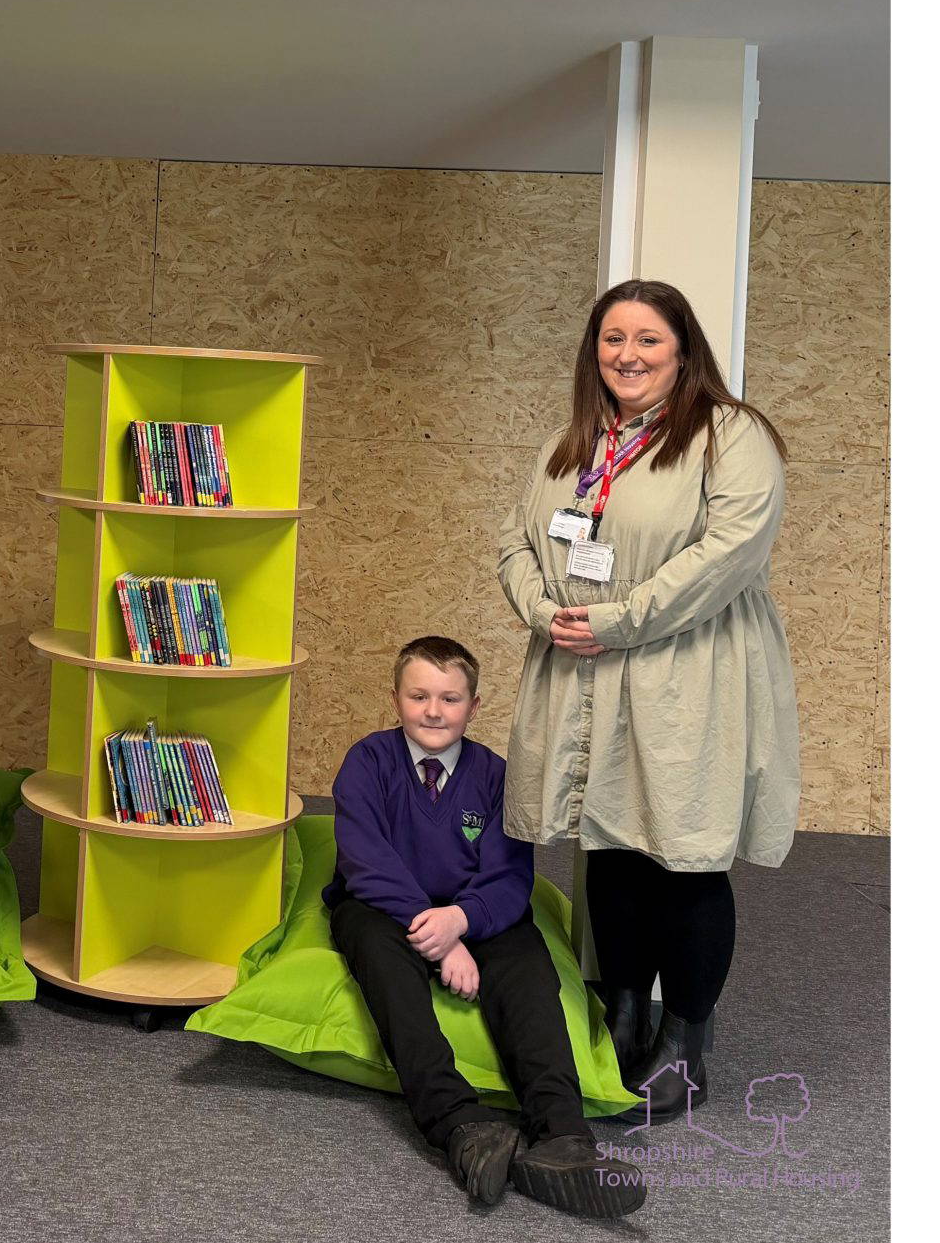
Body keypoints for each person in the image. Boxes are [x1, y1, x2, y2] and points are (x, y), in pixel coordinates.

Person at [497, 278, 799, 1120]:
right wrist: (543, 608)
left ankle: (687, 1042)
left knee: (685, 851)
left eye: (648, 341)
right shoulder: (579, 441)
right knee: (613, 843)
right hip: (586, 663)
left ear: (683, 350)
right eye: (611, 340)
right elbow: (515, 542)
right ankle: (624, 1012)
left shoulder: (730, 437)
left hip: (684, 667)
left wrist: (618, 619)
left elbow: (728, 555)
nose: (626, 355)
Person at [322, 638, 644, 1217]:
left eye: (450, 698)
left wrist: (462, 923)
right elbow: (366, 863)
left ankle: (564, 1137)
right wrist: (441, 941)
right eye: (419, 695)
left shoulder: (495, 775)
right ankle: (460, 1125)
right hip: (383, 909)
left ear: (473, 706)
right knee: (388, 973)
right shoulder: (367, 762)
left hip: (472, 909)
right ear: (395, 698)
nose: (433, 711)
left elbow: (508, 876)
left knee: (529, 972)